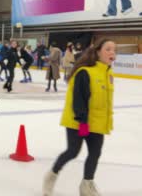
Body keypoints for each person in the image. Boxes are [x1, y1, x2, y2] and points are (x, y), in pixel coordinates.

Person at [43, 39, 116, 196]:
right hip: (77, 120)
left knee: (95, 153)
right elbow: (79, 99)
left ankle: (86, 186)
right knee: (72, 151)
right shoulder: (85, 72)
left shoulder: (107, 72)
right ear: (97, 52)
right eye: (108, 49)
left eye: (114, 50)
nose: (112, 52)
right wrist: (83, 122)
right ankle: (51, 176)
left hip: (97, 120)